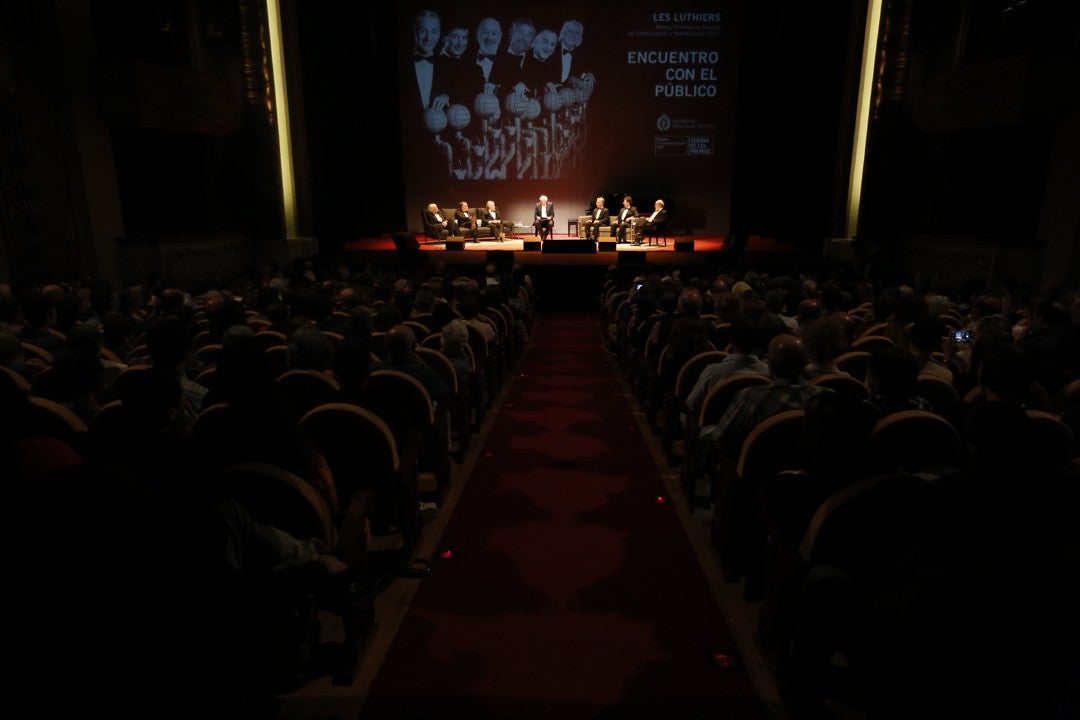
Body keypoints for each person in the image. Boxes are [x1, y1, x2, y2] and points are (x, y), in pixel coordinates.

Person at [411, 9, 446, 112]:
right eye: (423, 31)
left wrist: (446, 96)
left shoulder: (445, 65)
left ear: (439, 33)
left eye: (434, 32)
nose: (428, 38)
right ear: (415, 32)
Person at [489, 17, 534, 93]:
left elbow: (533, 88)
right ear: (512, 33)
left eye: (529, 35)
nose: (524, 38)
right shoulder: (497, 52)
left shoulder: (533, 59)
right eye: (520, 33)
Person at [520, 28, 560, 98]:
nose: (548, 48)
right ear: (535, 40)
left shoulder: (555, 63)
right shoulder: (521, 57)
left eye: (552, 44)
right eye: (545, 42)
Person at [556, 19, 584, 86]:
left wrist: (588, 74)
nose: (573, 35)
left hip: (568, 92)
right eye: (570, 31)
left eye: (577, 33)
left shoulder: (581, 56)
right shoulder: (551, 48)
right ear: (563, 32)